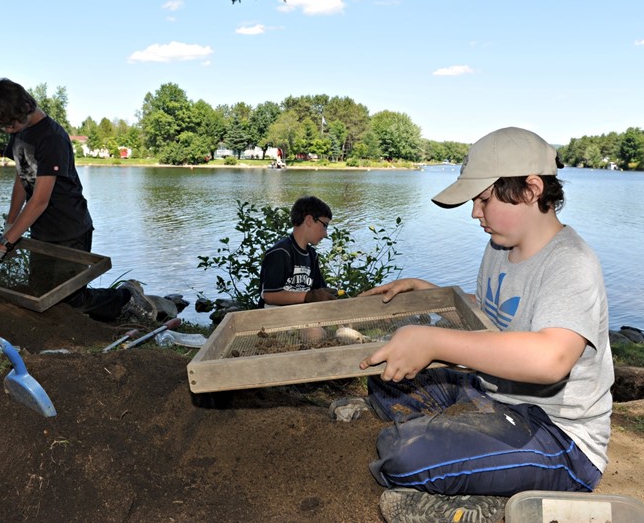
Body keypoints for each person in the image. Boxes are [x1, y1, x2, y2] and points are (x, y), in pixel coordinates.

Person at [357, 127, 614, 521]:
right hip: (494, 396)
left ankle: (487, 503)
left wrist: (434, 342)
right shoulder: (499, 246)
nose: (475, 212)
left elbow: (552, 359)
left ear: (530, 189)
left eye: (483, 199)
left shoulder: (571, 263)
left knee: (403, 456)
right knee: (385, 382)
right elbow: (495, 315)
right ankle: (464, 444)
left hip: (560, 438)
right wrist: (429, 291)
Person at [0, 78, 155, 323]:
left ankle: (127, 298)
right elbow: (22, 177)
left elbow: (40, 200)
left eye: (10, 125)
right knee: (41, 295)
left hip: (69, 227)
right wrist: (11, 224)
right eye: (4, 128)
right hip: (41, 228)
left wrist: (0, 247)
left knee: (68, 299)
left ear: (25, 108)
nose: (8, 130)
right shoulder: (20, 131)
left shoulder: (51, 137)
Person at [258, 195, 337, 307]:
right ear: (309, 220)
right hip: (273, 319)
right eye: (325, 225)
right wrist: (308, 296)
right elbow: (270, 296)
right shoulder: (281, 252)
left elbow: (319, 290)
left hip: (299, 317)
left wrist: (331, 295)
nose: (325, 234)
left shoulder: (312, 255)